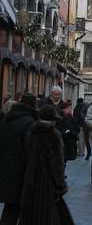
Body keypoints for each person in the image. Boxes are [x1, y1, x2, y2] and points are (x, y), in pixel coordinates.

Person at [20, 105, 73, 225]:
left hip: (30, 180)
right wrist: (60, 186)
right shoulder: (53, 135)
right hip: (47, 184)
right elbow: (57, 164)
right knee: (49, 217)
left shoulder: (31, 132)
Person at [0, 94, 39, 225]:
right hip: (21, 172)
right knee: (21, 209)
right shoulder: (30, 122)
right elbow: (30, 150)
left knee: (10, 208)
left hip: (6, 169)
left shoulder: (6, 119)